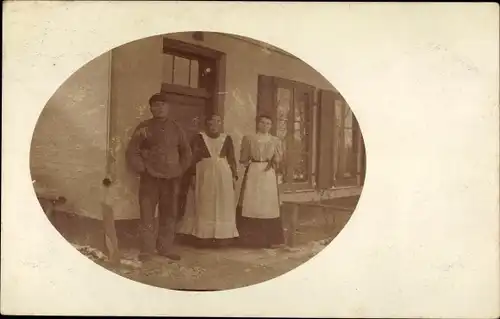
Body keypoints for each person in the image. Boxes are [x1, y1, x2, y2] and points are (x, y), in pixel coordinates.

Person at [125, 92, 192, 261]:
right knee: (147, 213)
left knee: (169, 213)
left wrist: (180, 169)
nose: (159, 108)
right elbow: (132, 151)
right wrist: (143, 169)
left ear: (168, 108)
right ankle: (147, 250)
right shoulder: (143, 128)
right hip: (150, 178)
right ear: (151, 108)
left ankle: (165, 248)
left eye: (163, 105)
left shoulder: (176, 128)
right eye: (155, 105)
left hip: (171, 179)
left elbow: (186, 152)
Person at [177, 113, 239, 248]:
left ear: (221, 124)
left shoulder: (227, 139)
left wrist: (234, 176)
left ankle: (223, 237)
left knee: (223, 203)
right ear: (207, 123)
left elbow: (231, 159)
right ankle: (203, 236)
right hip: (204, 174)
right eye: (212, 121)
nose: (215, 124)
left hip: (223, 176)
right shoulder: (199, 138)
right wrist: (192, 175)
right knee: (204, 202)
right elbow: (192, 158)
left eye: (218, 121)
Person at [236, 115, 285, 248]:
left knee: (267, 203)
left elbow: (278, 159)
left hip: (268, 173)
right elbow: (244, 158)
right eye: (262, 123)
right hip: (253, 171)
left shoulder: (275, 140)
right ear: (258, 124)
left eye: (268, 123)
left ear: (271, 126)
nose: (265, 126)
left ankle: (271, 240)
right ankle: (249, 240)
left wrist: (273, 162)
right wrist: (251, 164)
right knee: (251, 201)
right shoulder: (249, 138)